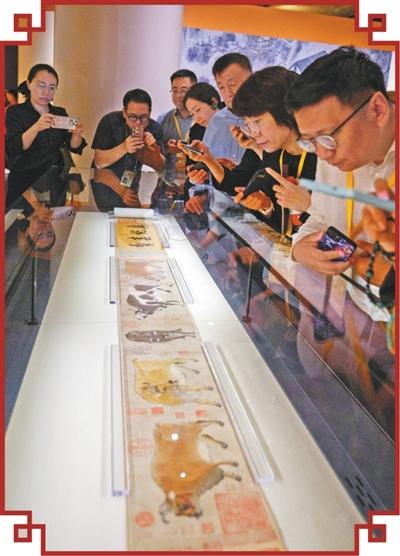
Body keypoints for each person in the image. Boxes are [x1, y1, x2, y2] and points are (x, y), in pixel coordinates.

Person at [282, 46, 395, 276]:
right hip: (343, 295)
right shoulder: (329, 152)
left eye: (328, 137)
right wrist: (300, 248)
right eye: (310, 141)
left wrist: (391, 278)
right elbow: (320, 216)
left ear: (377, 109)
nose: (323, 154)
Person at [181, 67, 316, 232]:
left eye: (257, 122)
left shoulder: (323, 158)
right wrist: (266, 206)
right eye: (249, 124)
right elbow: (278, 219)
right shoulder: (274, 154)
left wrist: (309, 205)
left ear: (286, 110)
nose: (254, 133)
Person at [5, 63, 87, 208]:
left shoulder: (59, 112)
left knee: (53, 220)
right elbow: (14, 147)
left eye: (52, 87)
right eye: (41, 85)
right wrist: (36, 127)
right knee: (22, 221)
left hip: (55, 181)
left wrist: (76, 135)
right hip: (25, 185)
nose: (46, 92)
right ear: (29, 84)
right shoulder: (15, 112)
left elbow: (73, 147)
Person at [186, 53, 252, 189]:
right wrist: (200, 174)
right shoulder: (217, 121)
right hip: (220, 197)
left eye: (232, 84)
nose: (228, 93)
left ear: (251, 80)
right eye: (221, 87)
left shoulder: (265, 118)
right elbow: (207, 165)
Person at [91, 88, 165, 211]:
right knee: (106, 217)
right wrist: (124, 147)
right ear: (124, 113)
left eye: (144, 117)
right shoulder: (110, 121)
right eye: (132, 117)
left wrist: (154, 153)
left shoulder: (154, 128)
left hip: (132, 184)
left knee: (132, 216)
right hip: (105, 184)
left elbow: (161, 167)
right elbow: (99, 162)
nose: (138, 123)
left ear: (150, 113)